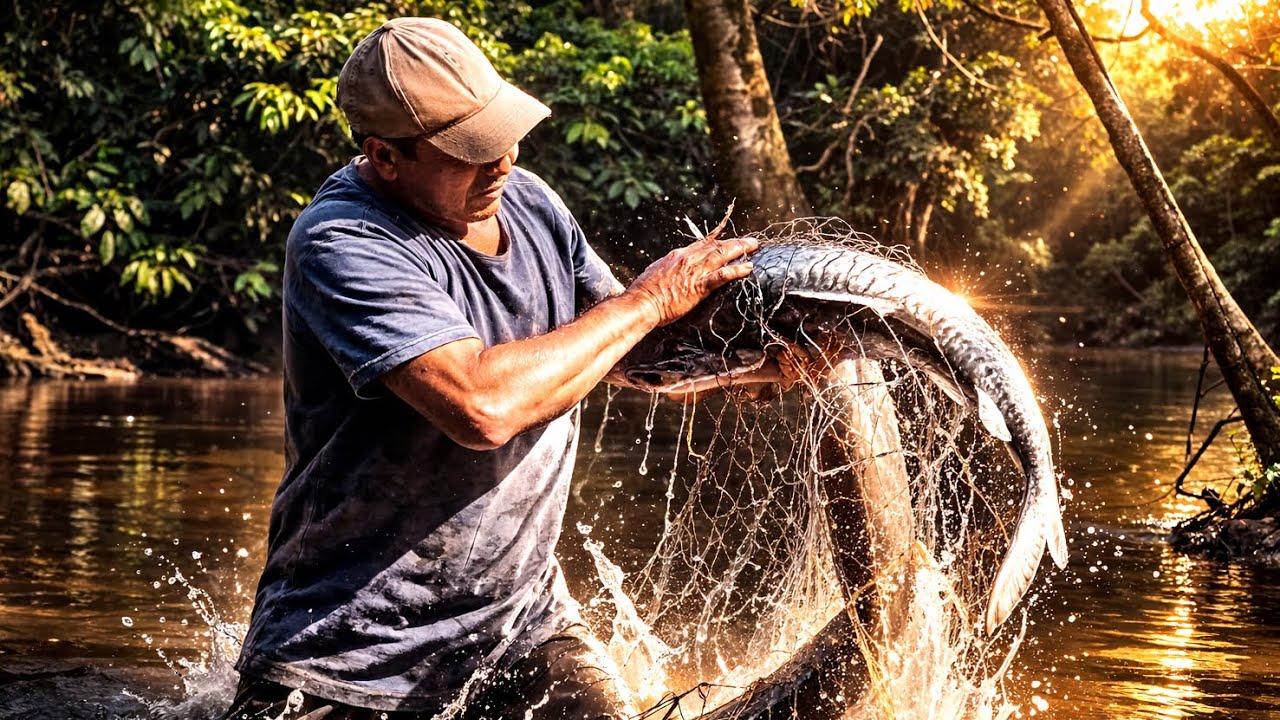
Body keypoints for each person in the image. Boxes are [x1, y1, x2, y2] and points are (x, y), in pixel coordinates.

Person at [220, 17, 758, 720]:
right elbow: (481, 407)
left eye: (502, 136)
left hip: (517, 629)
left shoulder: (531, 201)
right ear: (386, 157)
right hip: (350, 655)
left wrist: (753, 363)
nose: (502, 162)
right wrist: (650, 298)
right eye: (470, 151)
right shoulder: (342, 241)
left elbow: (627, 349)